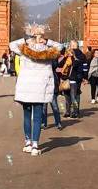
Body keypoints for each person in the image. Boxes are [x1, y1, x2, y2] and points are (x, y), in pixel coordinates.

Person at [10, 27, 63, 155]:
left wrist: (27, 39)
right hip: (41, 89)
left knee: (27, 116)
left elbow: (12, 45)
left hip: (26, 89)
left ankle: (27, 142)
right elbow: (60, 46)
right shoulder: (49, 52)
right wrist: (47, 41)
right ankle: (35, 145)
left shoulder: (24, 50)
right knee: (37, 117)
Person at [56, 47, 76, 117]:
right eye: (67, 52)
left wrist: (72, 57)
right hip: (65, 79)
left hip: (72, 80)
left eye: (70, 52)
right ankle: (68, 112)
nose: (69, 53)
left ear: (73, 53)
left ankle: (74, 112)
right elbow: (59, 65)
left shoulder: (75, 60)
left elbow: (75, 66)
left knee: (73, 97)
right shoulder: (65, 59)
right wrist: (64, 57)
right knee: (67, 97)